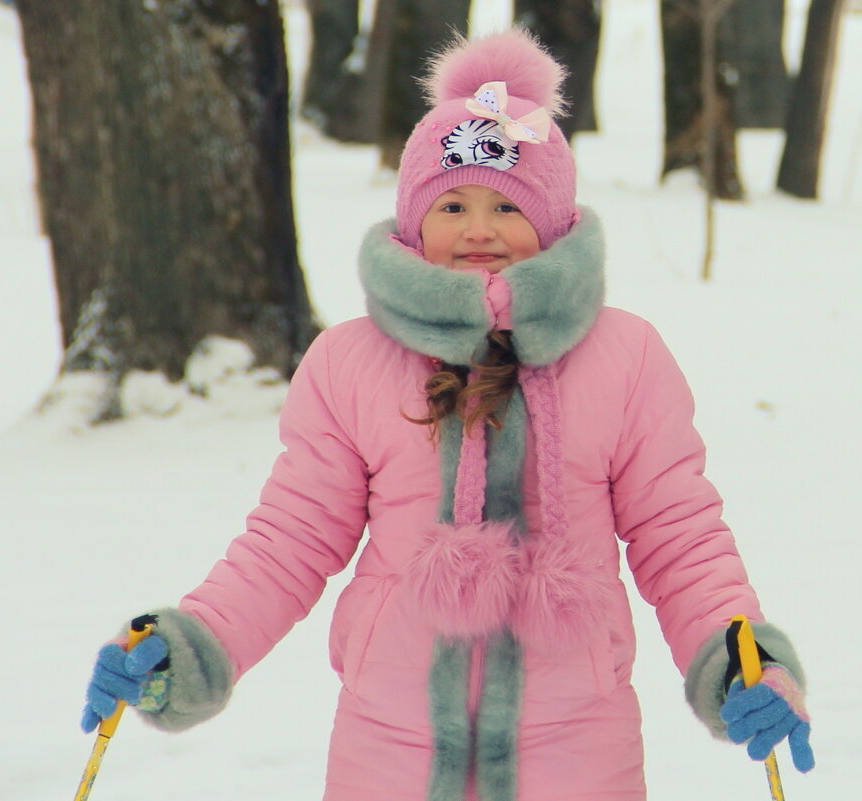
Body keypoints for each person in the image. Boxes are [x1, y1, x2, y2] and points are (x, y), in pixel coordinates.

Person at [82, 29, 815, 801]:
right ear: (412, 219)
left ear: (556, 219)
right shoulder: (351, 363)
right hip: (391, 749)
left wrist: (738, 657)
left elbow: (681, 535)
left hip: (575, 753)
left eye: (507, 204)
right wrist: (193, 645)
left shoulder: (623, 358)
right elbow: (288, 540)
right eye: (453, 203)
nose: (477, 228)